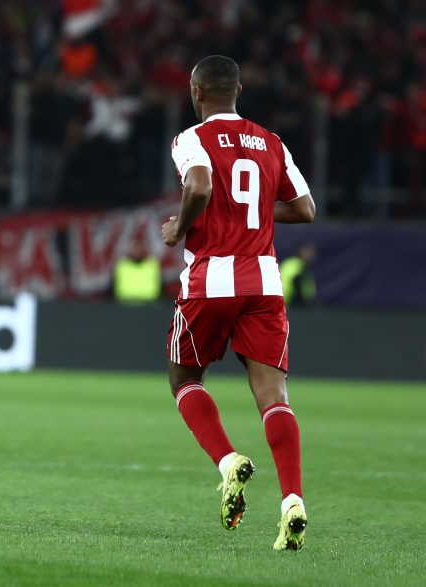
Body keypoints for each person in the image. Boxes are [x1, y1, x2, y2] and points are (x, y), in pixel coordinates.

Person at [160, 55, 315, 551]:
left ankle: (228, 461)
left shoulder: (191, 139)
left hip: (211, 279)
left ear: (196, 92)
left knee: (184, 379)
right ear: (239, 91)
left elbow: (200, 185)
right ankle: (292, 501)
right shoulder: (271, 142)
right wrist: (258, 212)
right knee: (274, 395)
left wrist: (179, 227)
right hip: (263, 282)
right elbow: (305, 209)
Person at [112, 234, 161, 304]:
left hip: (149, 304)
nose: (137, 251)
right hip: (125, 304)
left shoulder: (152, 265)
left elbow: (161, 288)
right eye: (134, 248)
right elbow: (112, 288)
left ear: (144, 249)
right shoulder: (121, 266)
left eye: (139, 248)